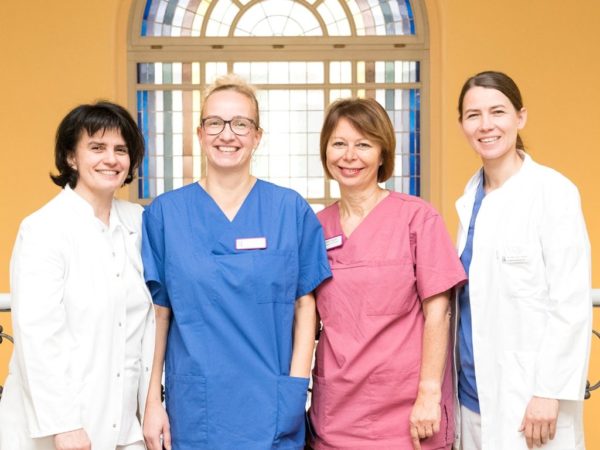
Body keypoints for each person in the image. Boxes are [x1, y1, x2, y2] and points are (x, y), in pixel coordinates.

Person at [141, 74, 331, 450]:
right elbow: (160, 315)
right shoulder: (165, 214)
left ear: (257, 136)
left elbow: (305, 304)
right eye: (215, 122)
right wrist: (151, 402)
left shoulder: (288, 209)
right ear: (199, 133)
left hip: (272, 404)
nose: (227, 134)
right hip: (196, 408)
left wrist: (295, 388)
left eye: (240, 124)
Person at [308, 98, 467, 450]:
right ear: (325, 152)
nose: (349, 156)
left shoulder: (417, 218)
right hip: (336, 411)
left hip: (408, 410)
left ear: (383, 154)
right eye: (339, 144)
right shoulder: (315, 228)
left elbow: (438, 313)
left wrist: (428, 393)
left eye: (363, 144)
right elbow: (304, 317)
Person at [0, 102, 155, 450]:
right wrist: (64, 425)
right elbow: (38, 336)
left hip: (124, 425)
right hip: (60, 428)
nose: (111, 159)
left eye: (121, 150)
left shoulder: (138, 223)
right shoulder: (44, 229)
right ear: (71, 157)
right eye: (97, 148)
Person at [455, 71, 592, 450]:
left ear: (520, 117)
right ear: (462, 124)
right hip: (472, 395)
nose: (486, 125)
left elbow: (570, 302)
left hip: (532, 399)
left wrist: (549, 390)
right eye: (473, 115)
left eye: (497, 112)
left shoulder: (553, 192)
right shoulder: (470, 199)